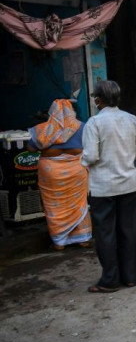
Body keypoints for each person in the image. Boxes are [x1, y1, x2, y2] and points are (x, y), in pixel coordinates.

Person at [82, 81, 136, 293]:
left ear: (98, 100)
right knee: (128, 231)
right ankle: (132, 276)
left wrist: (83, 161)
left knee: (105, 233)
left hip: (103, 188)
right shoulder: (132, 119)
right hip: (129, 185)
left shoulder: (94, 123)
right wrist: (126, 159)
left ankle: (110, 280)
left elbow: (91, 155)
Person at [27, 99, 92, 250]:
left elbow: (30, 149)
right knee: (79, 204)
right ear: (72, 112)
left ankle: (59, 242)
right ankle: (83, 239)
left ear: (52, 112)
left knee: (54, 207)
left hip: (51, 173)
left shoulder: (43, 129)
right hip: (76, 172)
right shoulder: (82, 127)